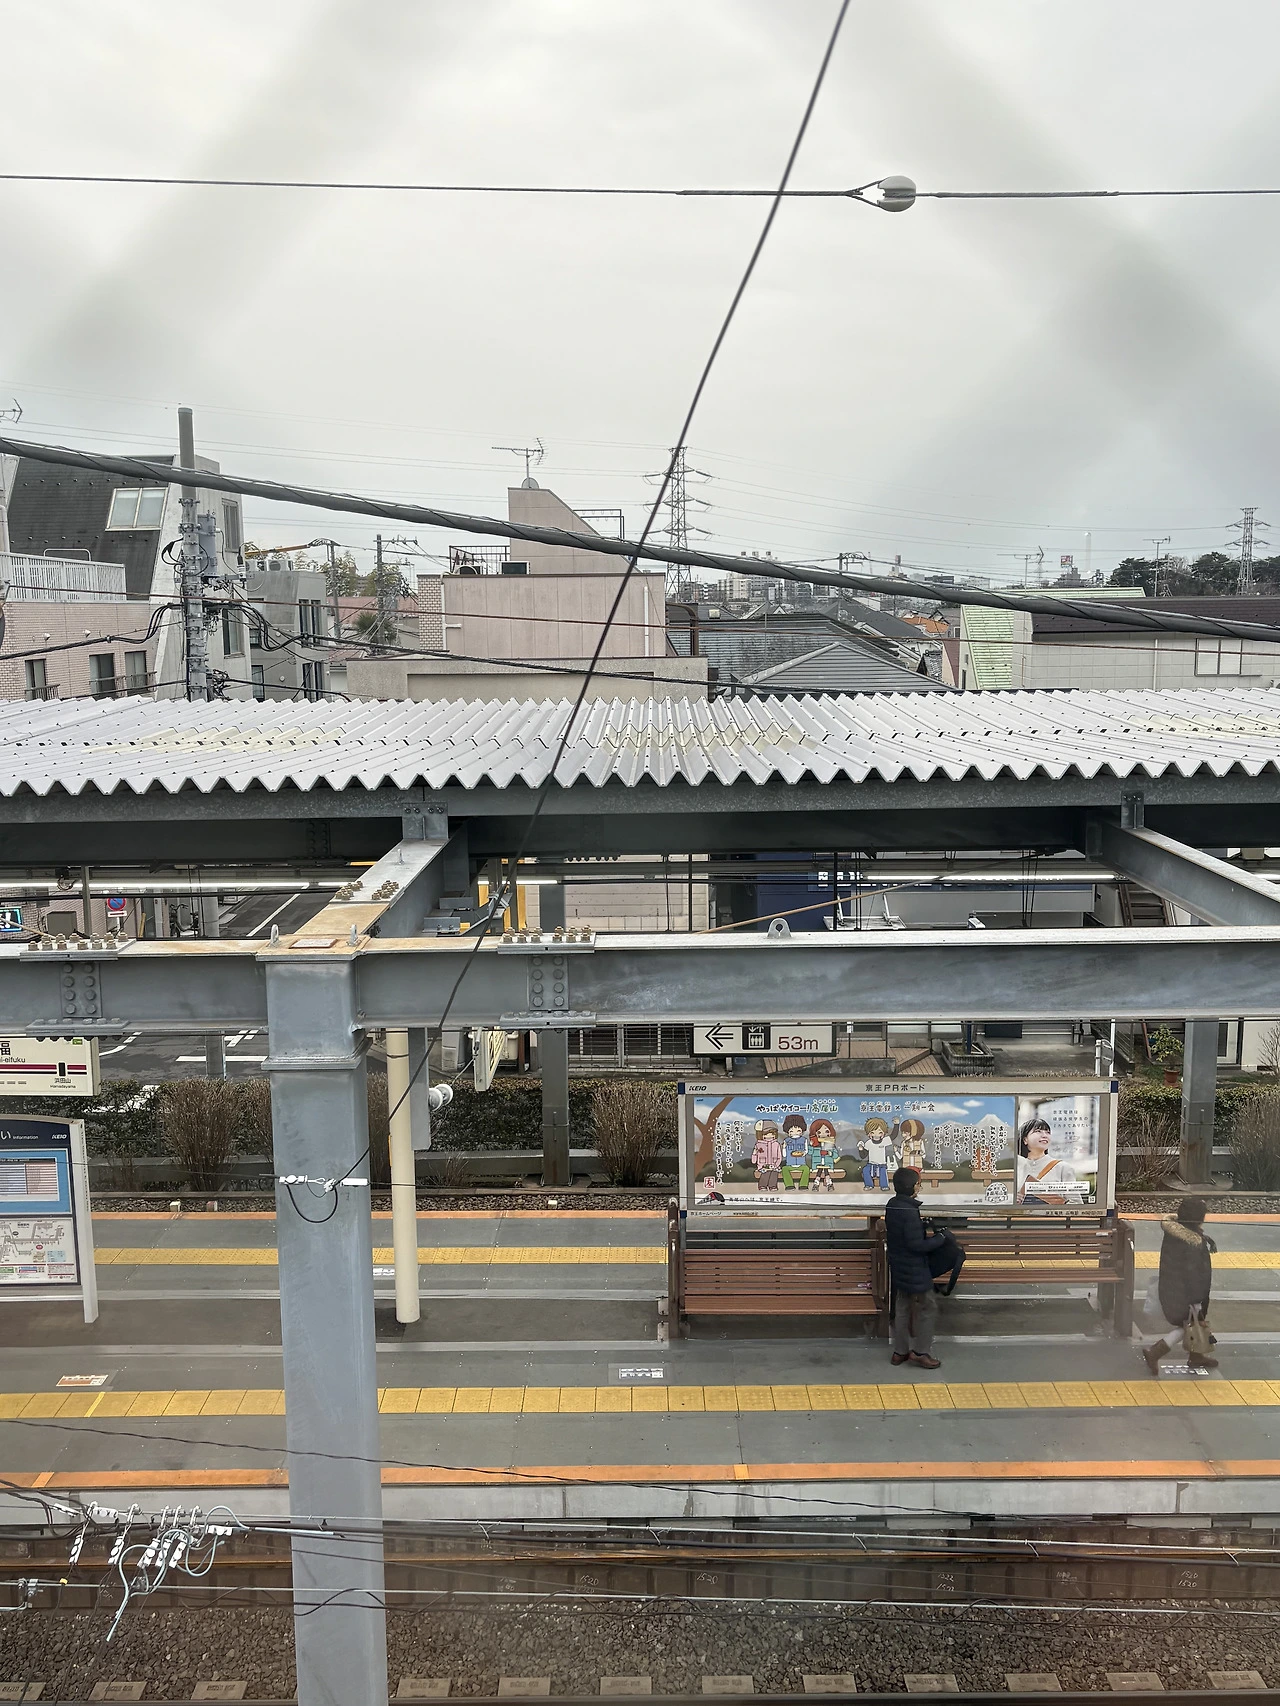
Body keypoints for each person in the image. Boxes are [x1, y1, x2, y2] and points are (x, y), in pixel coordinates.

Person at [1144, 1196, 1218, 1375]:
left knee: (1194, 1323)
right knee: (1189, 1325)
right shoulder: (1193, 1244)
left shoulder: (1175, 1232)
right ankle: (1155, 1352)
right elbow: (1194, 1274)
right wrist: (1196, 1300)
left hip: (1173, 1287)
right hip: (1186, 1294)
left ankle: (1196, 1355)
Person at [885, 1166, 947, 1369]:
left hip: (899, 1266)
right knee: (928, 1306)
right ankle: (921, 1352)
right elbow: (916, 1245)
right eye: (919, 1184)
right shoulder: (909, 1210)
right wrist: (940, 1238)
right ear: (913, 1187)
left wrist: (921, 1226)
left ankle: (900, 1351)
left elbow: (903, 1234)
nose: (919, 1187)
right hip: (914, 1268)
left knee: (902, 1307)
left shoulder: (893, 1205)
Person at [1016, 1116, 1082, 1207]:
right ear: (1025, 1139)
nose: (1044, 1135)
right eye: (1038, 1131)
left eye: (1048, 1132)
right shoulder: (1016, 1168)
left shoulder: (1063, 1168)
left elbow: (1076, 1204)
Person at [860, 1117, 897, 1192]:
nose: (876, 1134)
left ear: (883, 1132)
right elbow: (863, 1156)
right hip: (871, 1164)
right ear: (869, 1133)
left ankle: (884, 1186)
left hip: (881, 1164)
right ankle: (869, 1185)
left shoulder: (884, 1141)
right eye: (873, 1132)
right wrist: (861, 1149)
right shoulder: (868, 1143)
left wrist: (896, 1125)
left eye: (879, 1132)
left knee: (883, 1172)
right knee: (865, 1170)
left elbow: (893, 1135)